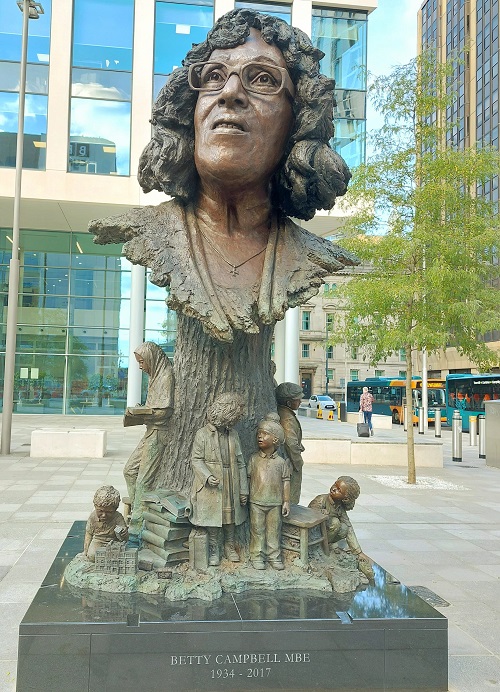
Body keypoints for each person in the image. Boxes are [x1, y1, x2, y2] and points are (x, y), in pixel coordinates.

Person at [123, 342, 174, 544]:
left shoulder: (166, 375)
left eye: (142, 362)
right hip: (150, 431)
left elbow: (164, 411)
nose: (140, 367)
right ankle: (140, 511)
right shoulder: (155, 376)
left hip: (159, 434)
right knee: (129, 471)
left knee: (144, 480)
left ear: (151, 359)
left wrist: (143, 412)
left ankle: (137, 529)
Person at [190, 393, 249, 566]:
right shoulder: (202, 434)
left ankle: (229, 546)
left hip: (231, 481)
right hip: (212, 484)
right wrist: (207, 476)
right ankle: (214, 548)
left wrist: (243, 489)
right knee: (214, 517)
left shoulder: (233, 435)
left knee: (230, 517)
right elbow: (196, 459)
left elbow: (240, 462)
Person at [308, 477, 373, 579]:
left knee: (344, 528)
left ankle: (327, 545)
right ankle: (320, 547)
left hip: (326, 534)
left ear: (345, 498)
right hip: (314, 534)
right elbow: (309, 515)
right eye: (335, 484)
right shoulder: (321, 499)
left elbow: (348, 526)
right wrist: (320, 513)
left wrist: (358, 552)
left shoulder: (340, 507)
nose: (334, 489)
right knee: (335, 522)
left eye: (338, 490)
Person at [247, 417, 290, 570]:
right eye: (259, 433)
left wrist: (286, 501)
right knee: (257, 531)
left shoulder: (281, 462)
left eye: (265, 434)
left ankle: (274, 556)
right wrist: (244, 494)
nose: (260, 436)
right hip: (256, 502)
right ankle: (257, 556)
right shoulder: (253, 459)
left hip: (275, 503)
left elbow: (286, 481)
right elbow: (248, 478)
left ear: (275, 439)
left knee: (273, 532)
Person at [275, 382, 304, 504]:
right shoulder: (287, 419)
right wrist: (298, 462)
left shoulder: (284, 413)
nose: (300, 402)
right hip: (290, 462)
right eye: (298, 400)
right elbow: (291, 443)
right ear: (289, 403)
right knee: (291, 496)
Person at [84, 486, 128, 562]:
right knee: (92, 556)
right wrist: (86, 551)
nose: (104, 515)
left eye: (109, 512)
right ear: (95, 506)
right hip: (98, 541)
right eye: (100, 511)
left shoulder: (118, 517)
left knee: (120, 557)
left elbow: (125, 537)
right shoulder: (92, 517)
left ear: (115, 509)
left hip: (114, 542)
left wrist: (124, 532)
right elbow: (88, 534)